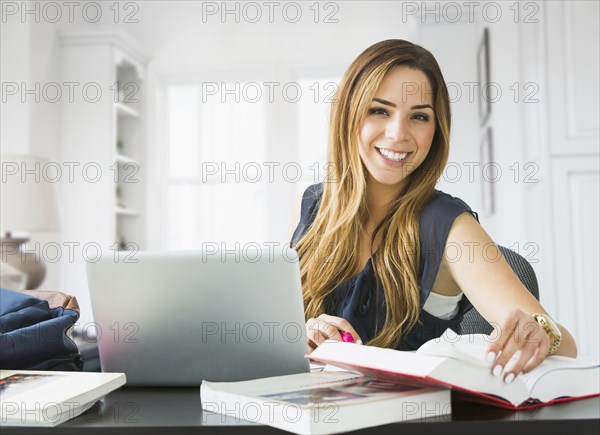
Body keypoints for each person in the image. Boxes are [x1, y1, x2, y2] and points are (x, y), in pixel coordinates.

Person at [290, 39, 576, 384]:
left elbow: (565, 346)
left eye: (419, 117)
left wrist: (542, 331)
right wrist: (307, 331)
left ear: (436, 130)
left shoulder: (448, 225)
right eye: (379, 110)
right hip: (315, 409)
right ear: (349, 114)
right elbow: (288, 327)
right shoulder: (315, 205)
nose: (398, 133)